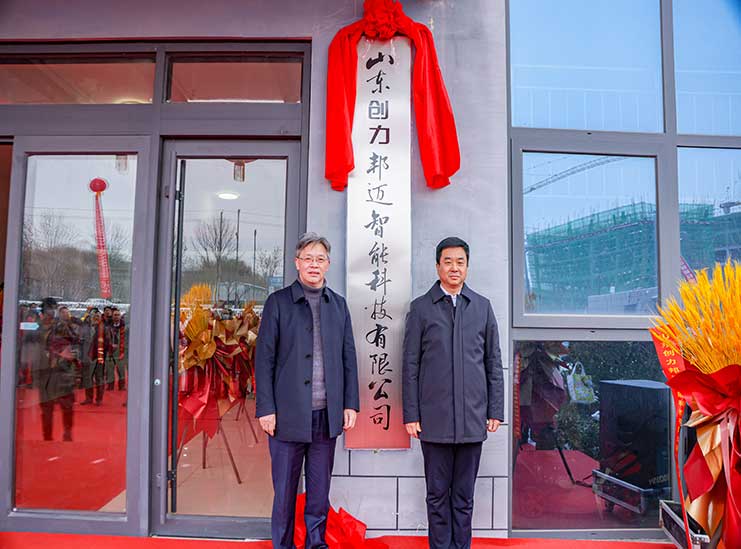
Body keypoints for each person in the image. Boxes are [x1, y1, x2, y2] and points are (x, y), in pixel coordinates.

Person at [256, 232, 360, 549]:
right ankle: (283, 544)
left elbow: (348, 357)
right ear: (297, 263)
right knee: (285, 492)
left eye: (320, 259)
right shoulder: (278, 303)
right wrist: (266, 408)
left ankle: (316, 543)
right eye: (308, 258)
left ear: (328, 264)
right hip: (286, 416)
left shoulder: (338, 305)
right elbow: (264, 359)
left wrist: (350, 404)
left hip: (325, 417)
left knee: (318, 491)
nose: (314, 264)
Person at [402, 237, 504, 549]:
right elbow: (410, 365)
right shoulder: (421, 309)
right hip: (434, 421)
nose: (454, 268)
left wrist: (495, 410)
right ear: (438, 266)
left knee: (463, 497)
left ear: (467, 267)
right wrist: (411, 414)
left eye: (460, 262)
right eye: (448, 262)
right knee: (436, 496)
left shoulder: (482, 308)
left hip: (473, 419)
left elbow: (493, 361)